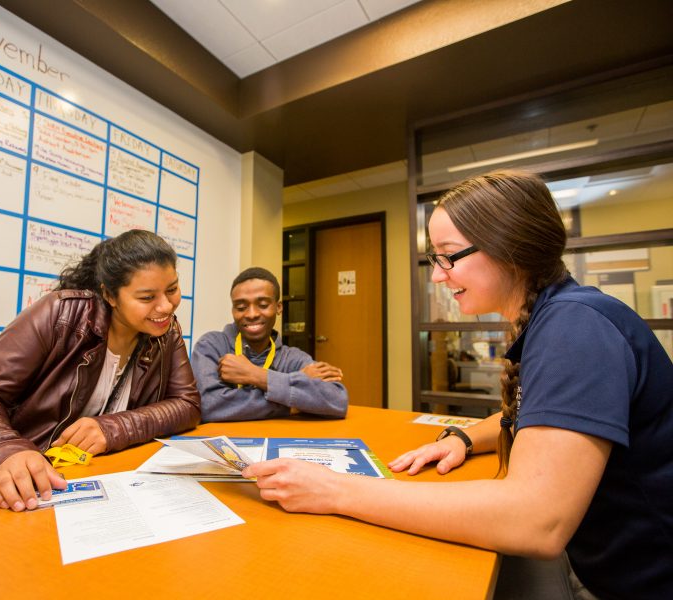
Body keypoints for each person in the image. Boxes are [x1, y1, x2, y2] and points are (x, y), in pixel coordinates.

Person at [242, 171, 673, 599]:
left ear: (511, 250)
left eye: (449, 256)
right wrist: (465, 438)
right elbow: (543, 416)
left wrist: (333, 490)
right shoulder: (559, 315)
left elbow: (535, 520)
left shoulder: (575, 327)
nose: (437, 276)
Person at [0, 230, 201, 511]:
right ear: (110, 295)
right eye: (147, 297)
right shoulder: (60, 315)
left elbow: (187, 404)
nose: (167, 306)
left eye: (172, 289)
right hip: (4, 485)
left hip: (85, 480)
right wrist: (5, 452)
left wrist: (116, 427)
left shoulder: (166, 333)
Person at [191, 267, 348, 422]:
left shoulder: (292, 357)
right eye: (241, 307)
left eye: (263, 305)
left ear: (278, 307)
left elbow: (337, 400)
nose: (252, 314)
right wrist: (293, 402)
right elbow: (208, 406)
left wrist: (255, 375)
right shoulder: (211, 345)